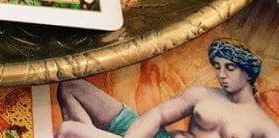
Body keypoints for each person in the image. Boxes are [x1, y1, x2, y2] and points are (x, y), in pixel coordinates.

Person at [56, 38, 279, 138]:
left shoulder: (266, 128)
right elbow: (159, 115)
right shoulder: (203, 95)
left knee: (69, 131)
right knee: (70, 87)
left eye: (229, 68)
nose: (221, 75)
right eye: (218, 67)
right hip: (146, 134)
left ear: (248, 72)